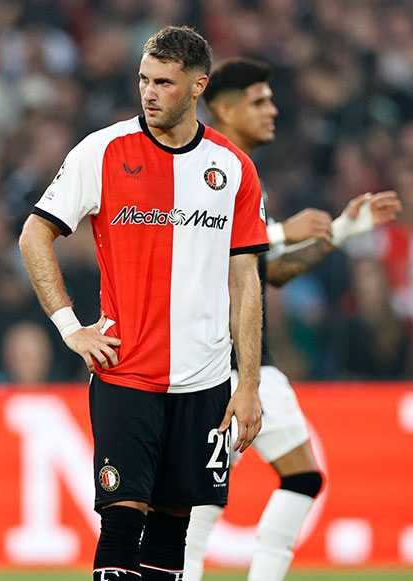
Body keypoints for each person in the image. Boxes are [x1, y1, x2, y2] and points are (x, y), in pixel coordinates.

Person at [19, 26, 268, 581]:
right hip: (126, 372)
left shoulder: (233, 168)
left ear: (199, 85)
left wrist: (247, 383)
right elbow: (34, 235)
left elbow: (244, 279)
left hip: (205, 380)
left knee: (170, 531)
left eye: (164, 83)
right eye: (143, 80)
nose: (149, 93)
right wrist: (70, 326)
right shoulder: (102, 151)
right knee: (120, 521)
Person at [183, 58, 401, 581]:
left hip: (253, 363)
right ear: (226, 108)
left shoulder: (243, 171)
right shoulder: (208, 167)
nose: (272, 109)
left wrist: (343, 232)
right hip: (214, 365)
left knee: (300, 478)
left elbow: (266, 273)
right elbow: (206, 257)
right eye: (259, 100)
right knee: (198, 504)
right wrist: (282, 230)